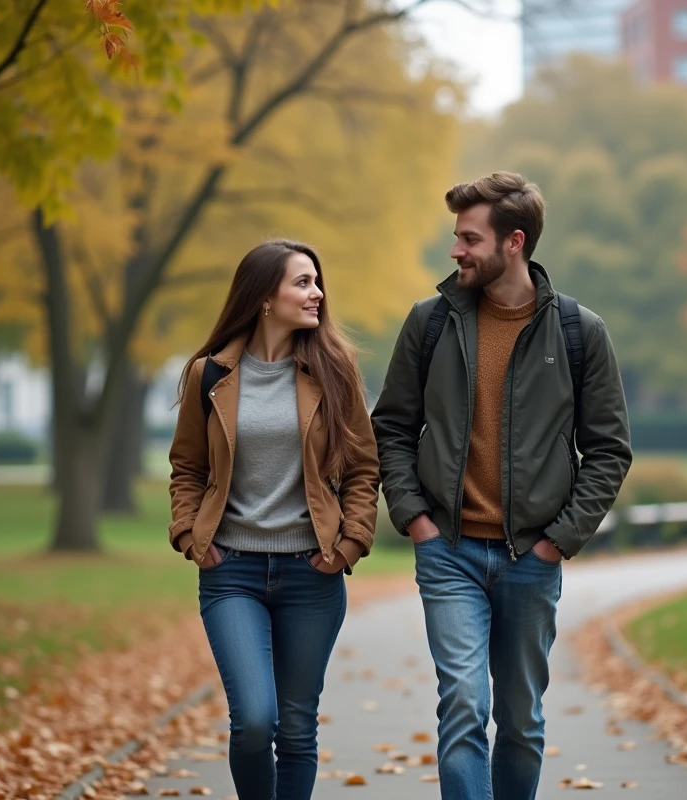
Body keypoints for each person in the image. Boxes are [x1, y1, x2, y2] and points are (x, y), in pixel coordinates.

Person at [371, 171, 633, 799]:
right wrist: (418, 521)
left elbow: (608, 450)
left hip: (531, 559)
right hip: (449, 553)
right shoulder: (429, 323)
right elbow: (392, 428)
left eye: (469, 238)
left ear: (514, 242)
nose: (456, 250)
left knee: (519, 722)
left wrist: (558, 541)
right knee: (462, 706)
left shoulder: (579, 333)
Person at [167, 239, 380, 800]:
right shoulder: (208, 374)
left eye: (316, 281)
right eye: (302, 282)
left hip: (312, 575)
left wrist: (350, 543)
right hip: (230, 571)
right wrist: (191, 534)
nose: (318, 293)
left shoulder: (334, 370)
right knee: (255, 721)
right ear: (265, 297)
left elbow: (363, 468)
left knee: (296, 726)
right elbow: (186, 467)